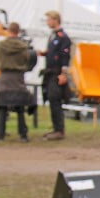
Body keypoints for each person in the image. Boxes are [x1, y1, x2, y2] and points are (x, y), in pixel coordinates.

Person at [0, 23, 35, 142]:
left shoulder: (1, 45)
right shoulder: (23, 46)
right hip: (18, 78)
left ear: (9, 31)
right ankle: (23, 135)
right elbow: (27, 60)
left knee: (1, 107)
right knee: (20, 108)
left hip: (4, 77)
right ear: (18, 31)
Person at [39, 10, 71, 140]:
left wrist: (64, 74)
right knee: (51, 100)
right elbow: (54, 53)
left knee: (55, 99)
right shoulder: (53, 36)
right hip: (50, 73)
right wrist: (45, 53)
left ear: (55, 20)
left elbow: (65, 56)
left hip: (57, 74)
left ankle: (59, 130)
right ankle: (56, 128)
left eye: (48, 19)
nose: (47, 22)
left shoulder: (63, 37)